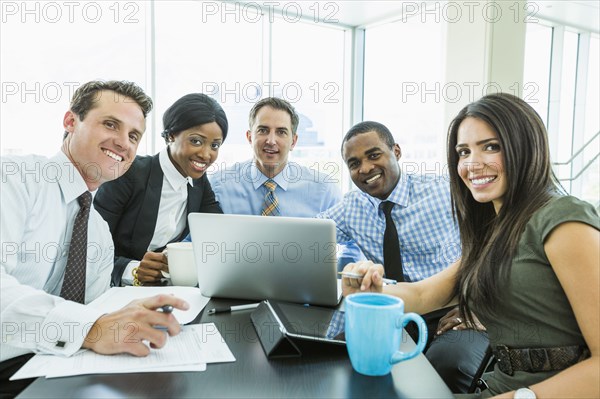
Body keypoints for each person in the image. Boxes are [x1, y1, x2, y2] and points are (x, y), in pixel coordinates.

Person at [342, 93, 599, 398]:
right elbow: (425, 294)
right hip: (501, 388)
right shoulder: (492, 231)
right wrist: (367, 287)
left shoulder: (563, 219)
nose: (472, 164)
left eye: (491, 147)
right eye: (463, 152)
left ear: (526, 146)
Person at [1, 80, 189, 397]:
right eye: (110, 124)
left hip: (50, 368)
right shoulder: (16, 178)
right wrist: (91, 328)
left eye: (133, 136)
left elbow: (93, 308)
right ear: (70, 122)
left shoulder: (99, 231)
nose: (122, 143)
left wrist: (126, 318)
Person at [318, 121, 489, 392]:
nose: (364, 168)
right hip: (395, 307)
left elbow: (492, 243)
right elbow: (305, 237)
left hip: (452, 309)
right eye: (354, 163)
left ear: (396, 151)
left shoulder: (444, 192)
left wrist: (481, 306)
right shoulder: (352, 207)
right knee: (336, 356)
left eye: (374, 155)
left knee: (447, 364)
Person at [94, 93, 227, 287]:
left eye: (215, 145)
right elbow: (89, 249)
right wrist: (133, 270)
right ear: (171, 135)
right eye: (196, 141)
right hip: (110, 289)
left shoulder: (198, 182)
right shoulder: (129, 173)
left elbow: (217, 230)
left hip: (160, 288)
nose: (206, 154)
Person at [209, 97, 341, 217]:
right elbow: (195, 239)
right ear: (250, 137)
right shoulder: (218, 186)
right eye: (263, 130)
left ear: (293, 141)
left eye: (281, 132)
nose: (271, 141)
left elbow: (345, 242)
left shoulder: (324, 191)